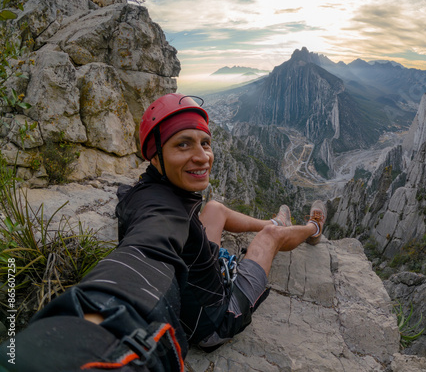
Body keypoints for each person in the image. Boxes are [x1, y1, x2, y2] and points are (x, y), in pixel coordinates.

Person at [0, 93, 326, 372]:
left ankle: (276, 220)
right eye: (183, 145)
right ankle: (310, 228)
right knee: (268, 238)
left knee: (213, 209)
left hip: (199, 278)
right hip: (216, 318)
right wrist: (102, 327)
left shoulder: (144, 190)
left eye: (205, 143)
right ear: (155, 155)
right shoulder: (161, 211)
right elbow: (146, 252)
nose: (203, 156)